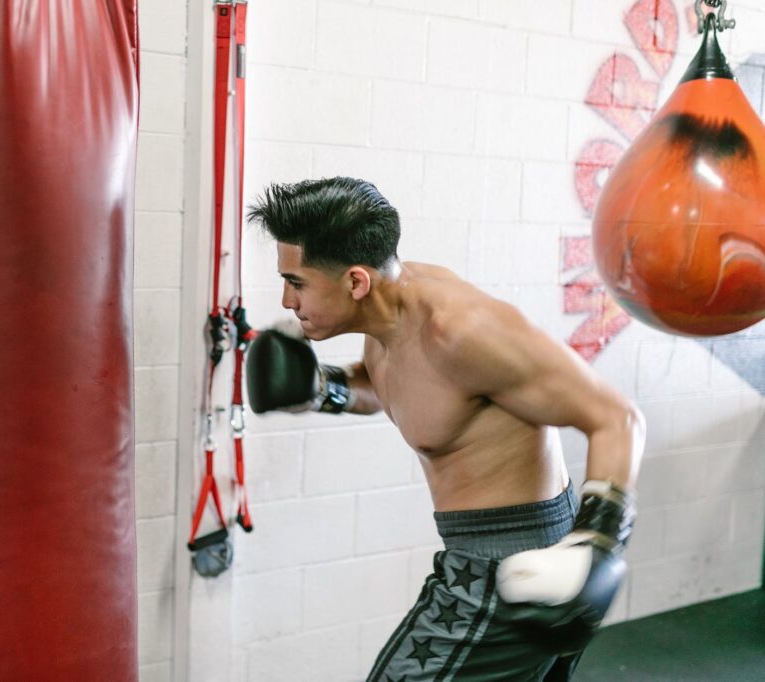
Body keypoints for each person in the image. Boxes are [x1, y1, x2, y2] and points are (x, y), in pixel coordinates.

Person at [244, 177, 645, 681]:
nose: (286, 300)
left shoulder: (462, 331)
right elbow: (392, 386)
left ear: (355, 281)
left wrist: (597, 545)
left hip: (516, 569)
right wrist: (326, 389)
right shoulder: (386, 318)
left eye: (296, 282)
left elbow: (617, 418)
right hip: (484, 552)